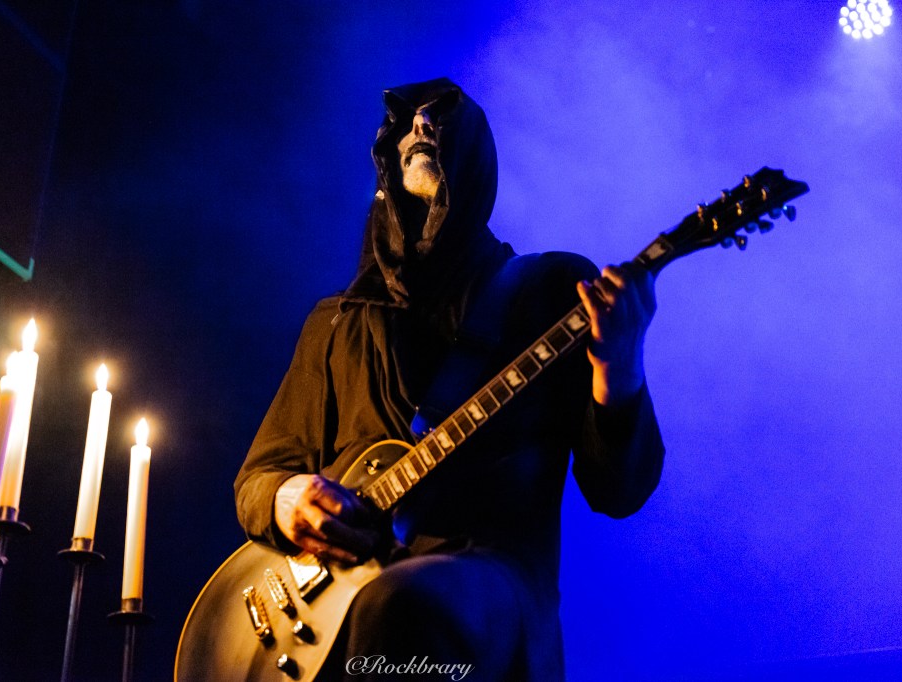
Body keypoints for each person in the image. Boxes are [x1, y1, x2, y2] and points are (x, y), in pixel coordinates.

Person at [234, 77, 665, 681]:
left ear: (475, 156)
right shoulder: (334, 322)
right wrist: (286, 501)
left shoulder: (547, 290)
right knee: (380, 605)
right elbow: (258, 476)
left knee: (397, 604)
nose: (421, 125)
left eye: (441, 116)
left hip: (488, 585)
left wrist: (619, 366)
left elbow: (619, 492)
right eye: (408, 120)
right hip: (333, 599)